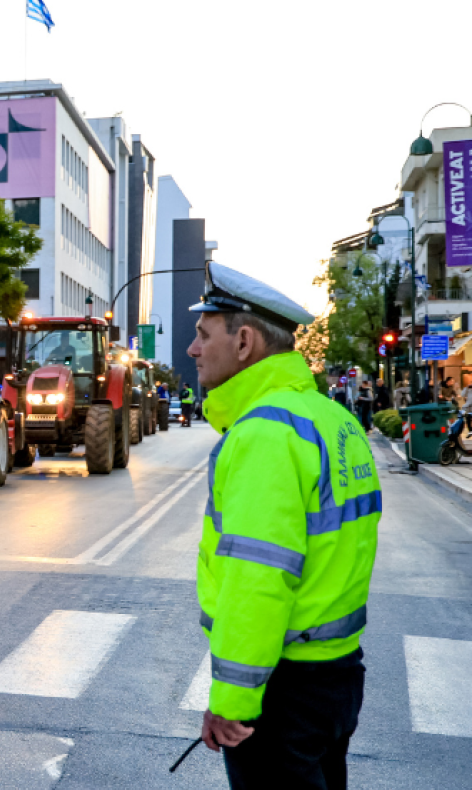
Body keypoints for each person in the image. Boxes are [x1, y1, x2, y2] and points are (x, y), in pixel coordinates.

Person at [187, 262, 379, 789]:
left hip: (283, 689)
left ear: (244, 341)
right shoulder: (332, 419)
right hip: (336, 674)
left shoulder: (264, 435)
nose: (192, 349)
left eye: (204, 335)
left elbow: (259, 578)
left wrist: (232, 703)